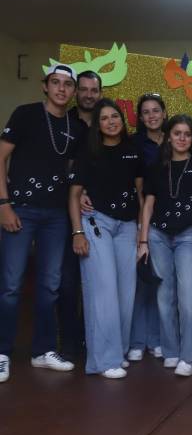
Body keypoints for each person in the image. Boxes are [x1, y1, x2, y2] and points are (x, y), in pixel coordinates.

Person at [0, 64, 85, 383]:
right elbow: (0, 156)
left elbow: (77, 171)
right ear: (45, 86)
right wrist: (4, 205)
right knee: (10, 285)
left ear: (73, 91)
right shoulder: (25, 114)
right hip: (20, 209)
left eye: (67, 84)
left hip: (56, 215)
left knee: (50, 285)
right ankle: (2, 353)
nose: (62, 89)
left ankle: (43, 351)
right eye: (56, 83)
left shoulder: (75, 128)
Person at [69, 99, 143, 379]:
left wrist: (141, 232)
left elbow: (140, 192)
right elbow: (74, 194)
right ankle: (102, 360)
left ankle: (119, 352)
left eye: (115, 116)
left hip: (127, 227)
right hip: (96, 222)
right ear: (97, 124)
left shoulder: (133, 151)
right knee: (104, 291)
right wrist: (77, 232)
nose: (111, 121)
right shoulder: (89, 152)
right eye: (104, 118)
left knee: (126, 292)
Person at [137, 115, 192, 377]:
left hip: (189, 237)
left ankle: (188, 357)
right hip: (158, 236)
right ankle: (170, 351)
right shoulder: (157, 166)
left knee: (189, 296)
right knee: (163, 295)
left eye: (187, 134)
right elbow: (148, 205)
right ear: (168, 136)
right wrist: (143, 240)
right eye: (177, 133)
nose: (182, 138)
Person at [58, 70, 103, 359]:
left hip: (99, 213)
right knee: (66, 282)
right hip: (65, 210)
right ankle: (70, 343)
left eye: (93, 89)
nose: (88, 94)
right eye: (83, 89)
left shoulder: (107, 123)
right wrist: (77, 190)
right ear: (76, 92)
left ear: (101, 92)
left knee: (96, 282)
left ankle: (92, 340)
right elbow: (58, 163)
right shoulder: (63, 122)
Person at [128, 93, 167, 361]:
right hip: (141, 218)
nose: (152, 115)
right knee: (140, 281)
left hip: (169, 221)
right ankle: (136, 341)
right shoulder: (134, 143)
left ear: (164, 113)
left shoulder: (175, 138)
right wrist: (143, 219)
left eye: (156, 111)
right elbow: (137, 185)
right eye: (146, 112)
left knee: (160, 282)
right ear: (140, 118)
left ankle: (155, 339)